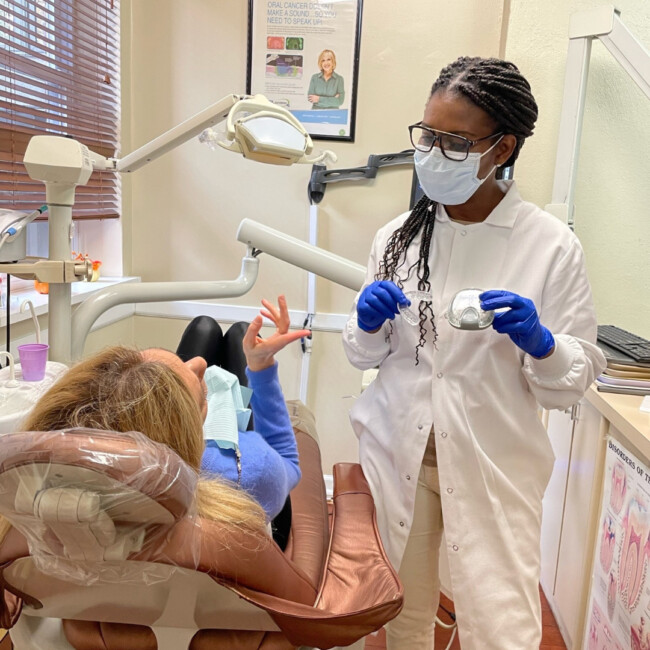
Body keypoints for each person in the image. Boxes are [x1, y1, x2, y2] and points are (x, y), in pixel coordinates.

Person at [342, 56, 606, 650]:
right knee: (397, 617)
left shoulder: (549, 247)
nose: (434, 153)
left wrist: (543, 345)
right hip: (397, 455)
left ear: (502, 147)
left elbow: (569, 383)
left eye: (455, 141)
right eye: (428, 135)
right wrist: (365, 326)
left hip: (492, 466)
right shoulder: (397, 238)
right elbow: (366, 357)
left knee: (501, 625)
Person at [21, 296, 309, 538]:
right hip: (238, 475)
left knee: (204, 327)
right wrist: (261, 367)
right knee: (240, 333)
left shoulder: (48, 503)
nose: (200, 364)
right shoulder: (250, 472)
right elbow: (289, 461)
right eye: (176, 383)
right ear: (180, 425)